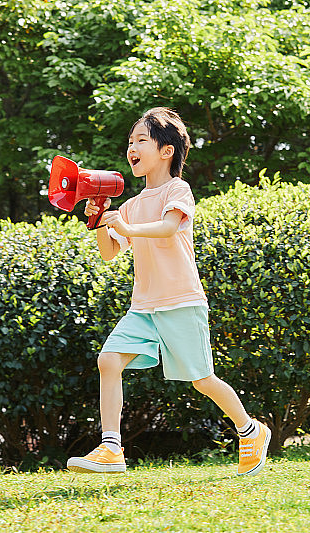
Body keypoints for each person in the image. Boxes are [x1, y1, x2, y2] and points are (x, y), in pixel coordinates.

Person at [66, 107, 270, 476]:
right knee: (108, 361)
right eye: (130, 141)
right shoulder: (130, 205)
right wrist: (99, 220)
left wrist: (126, 228)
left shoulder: (178, 190)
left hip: (181, 300)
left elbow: (167, 227)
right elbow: (110, 252)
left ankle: (251, 430)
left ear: (166, 150)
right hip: (143, 306)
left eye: (141, 140)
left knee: (202, 379)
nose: (132, 147)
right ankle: (111, 447)